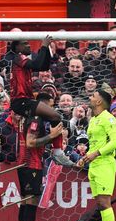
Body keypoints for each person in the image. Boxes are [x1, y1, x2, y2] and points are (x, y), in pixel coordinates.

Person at [8, 36, 74, 167]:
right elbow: (38, 64)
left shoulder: (24, 62)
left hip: (25, 100)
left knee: (53, 117)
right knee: (55, 116)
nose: (28, 45)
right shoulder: (18, 58)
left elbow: (43, 66)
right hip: (20, 101)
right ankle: (57, 152)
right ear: (17, 48)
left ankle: (56, 150)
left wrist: (47, 48)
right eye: (25, 43)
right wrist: (43, 46)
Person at [77, 89, 116, 221]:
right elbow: (96, 143)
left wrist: (96, 153)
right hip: (94, 164)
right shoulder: (93, 119)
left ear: (99, 101)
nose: (90, 97)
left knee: (104, 201)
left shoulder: (109, 118)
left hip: (105, 163)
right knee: (100, 203)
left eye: (93, 96)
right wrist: (85, 157)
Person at [14, 110, 64, 221]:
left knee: (25, 201)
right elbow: (30, 142)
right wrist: (52, 135)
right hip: (31, 164)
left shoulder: (27, 117)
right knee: (31, 201)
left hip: (24, 163)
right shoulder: (36, 119)